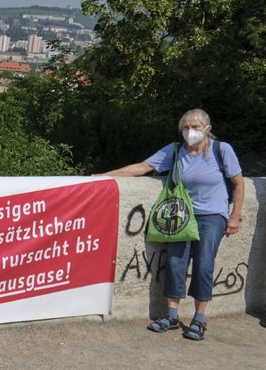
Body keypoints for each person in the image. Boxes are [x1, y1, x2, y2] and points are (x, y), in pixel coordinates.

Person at [102, 109, 244, 341]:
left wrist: (234, 216)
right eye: (186, 127)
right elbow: (143, 167)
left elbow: (238, 183)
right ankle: (171, 315)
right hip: (181, 215)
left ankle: (199, 318)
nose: (191, 131)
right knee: (176, 262)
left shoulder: (221, 150)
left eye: (196, 127)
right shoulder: (176, 150)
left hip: (212, 216)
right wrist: (103, 176)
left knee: (204, 263)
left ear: (207, 128)